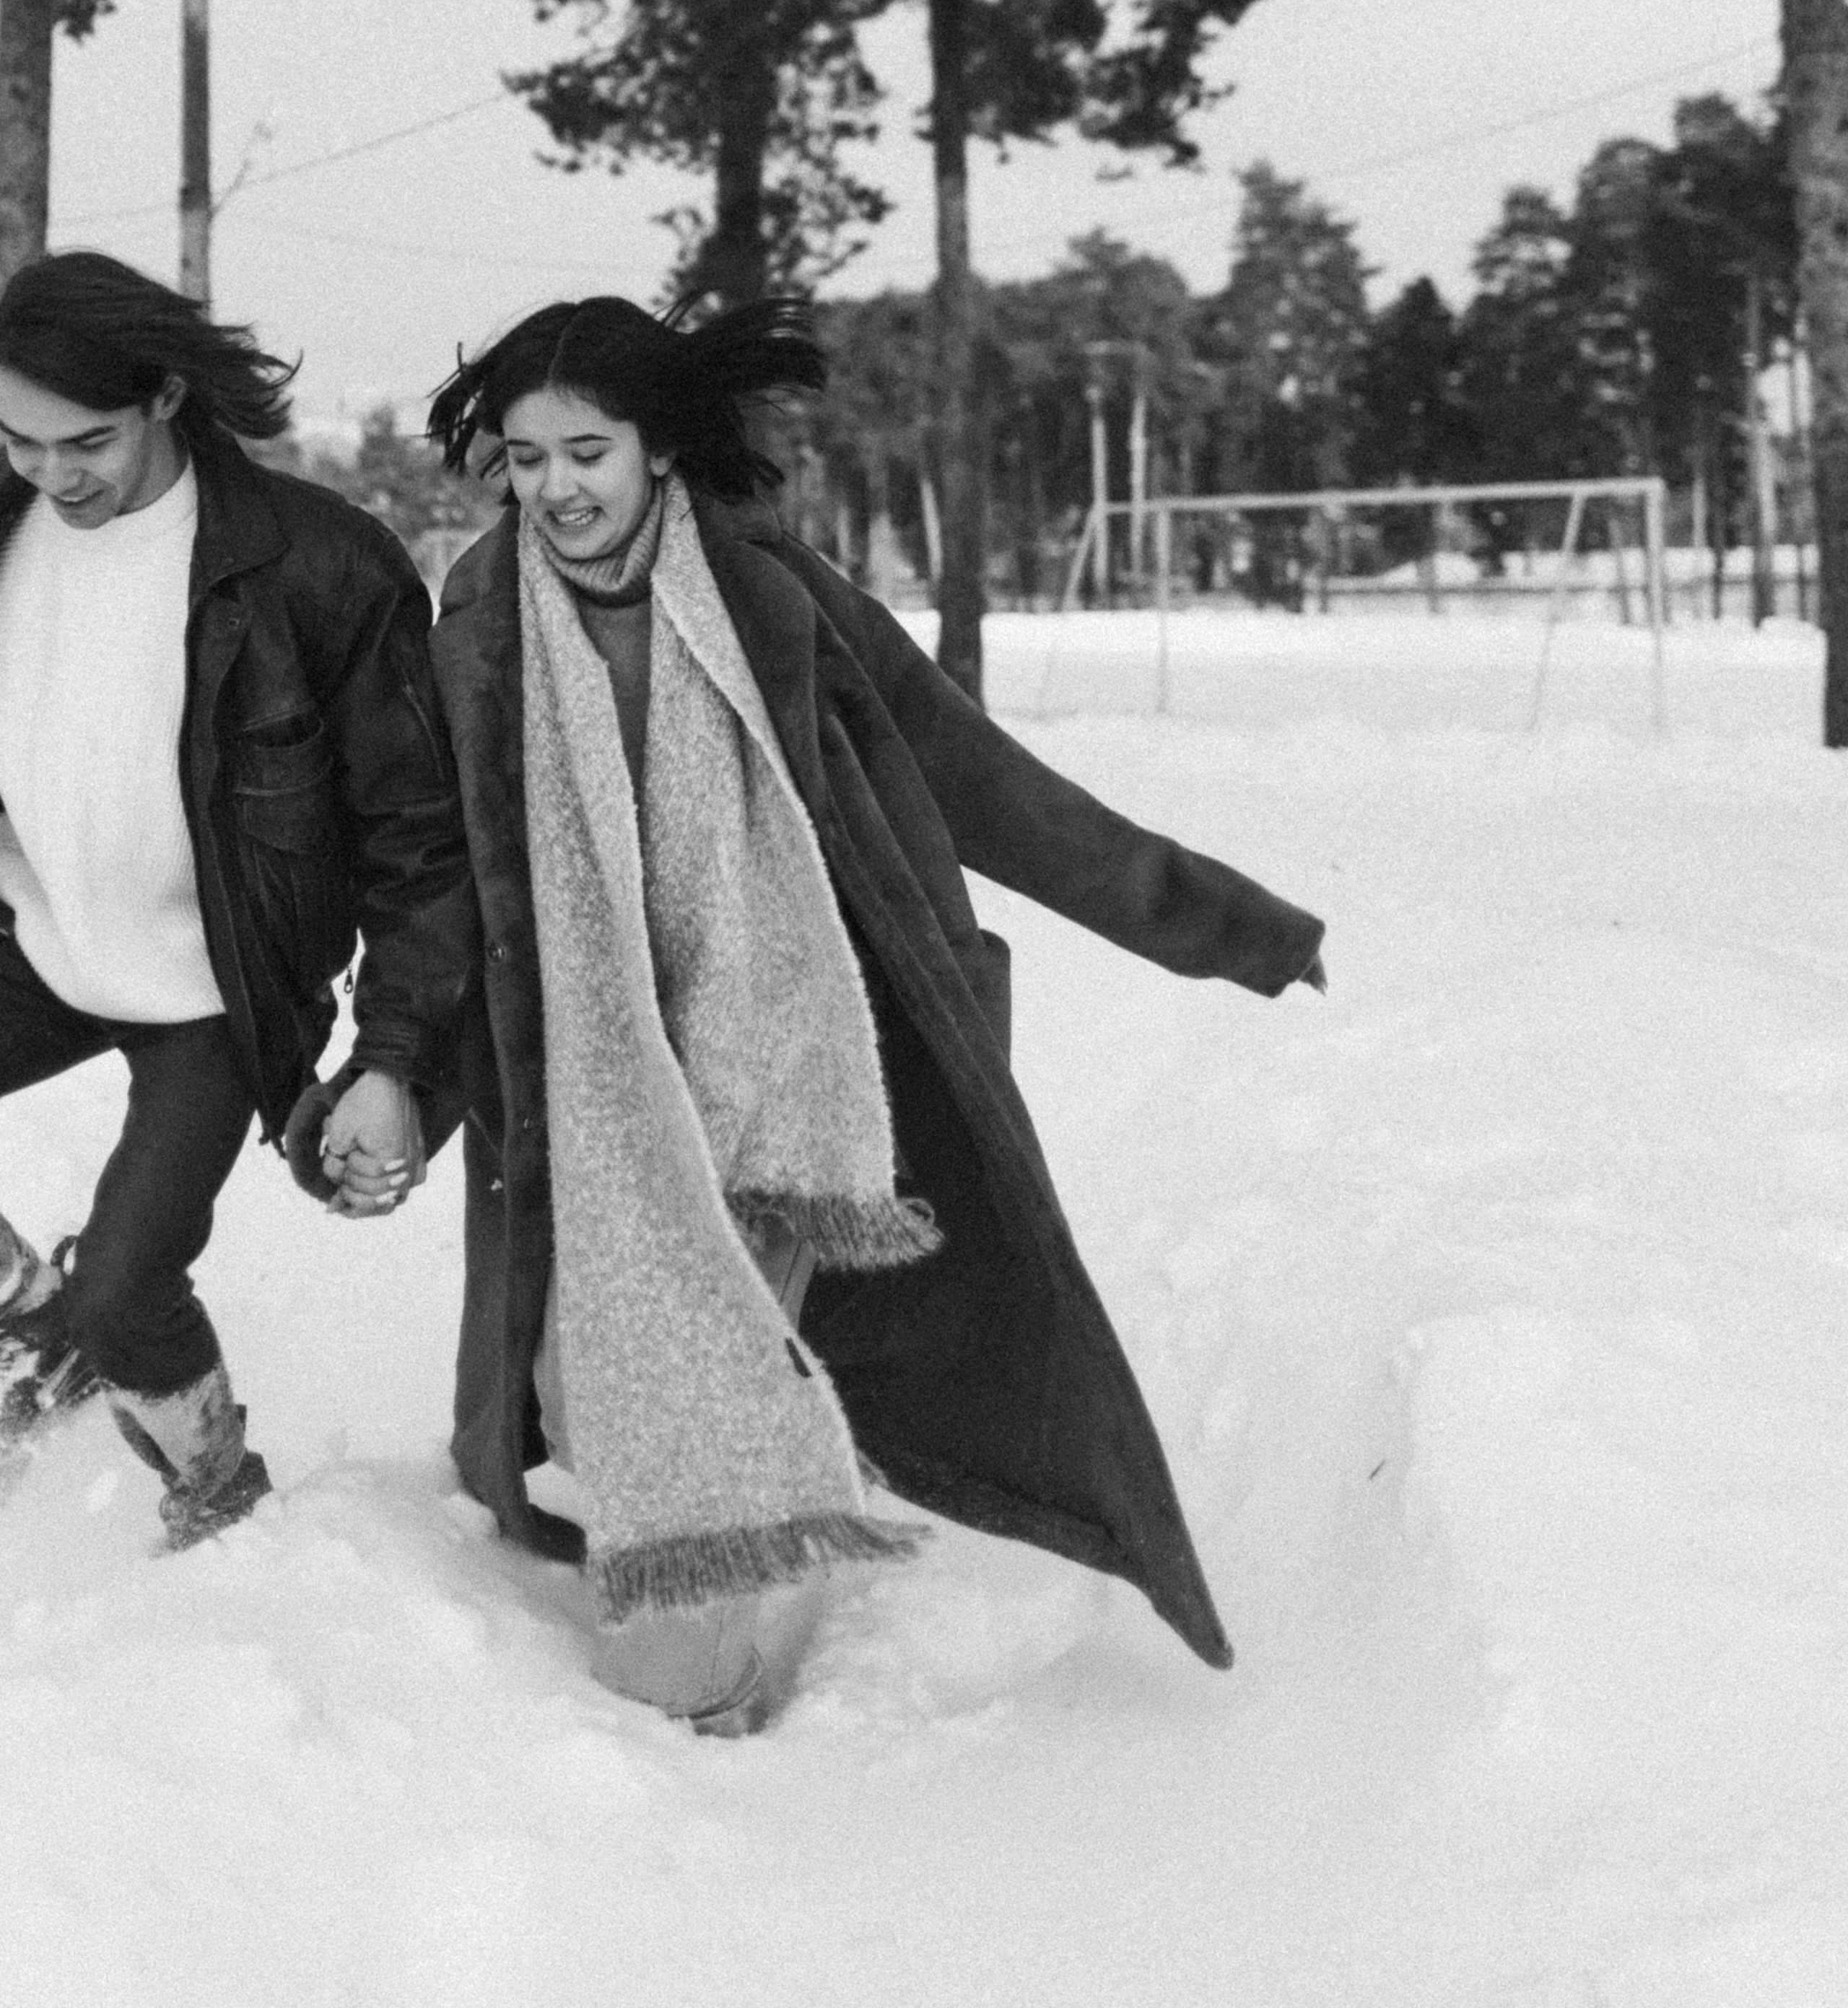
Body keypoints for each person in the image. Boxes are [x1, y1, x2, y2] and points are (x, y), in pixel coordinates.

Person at [318, 293, 1325, 1734]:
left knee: (678, 1404)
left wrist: (1224, 926)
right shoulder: (477, 622)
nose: (555, 490)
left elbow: (983, 781)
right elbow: (437, 879)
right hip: (597, 1090)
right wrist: (395, 1063)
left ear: (660, 450)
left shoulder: (774, 599)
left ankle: (686, 1707)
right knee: (574, 1387)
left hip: (784, 1060)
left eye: (586, 452)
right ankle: (731, 1509)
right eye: (525, 461)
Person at [0, 252, 475, 1545]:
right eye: (21, 441)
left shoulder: (318, 567)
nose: (56, 475)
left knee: (130, 1293)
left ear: (164, 397)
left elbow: (419, 847)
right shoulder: (5, 525)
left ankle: (216, 1495)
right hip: (37, 951)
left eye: (86, 440)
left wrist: (393, 1060)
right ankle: (29, 1329)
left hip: (217, 995)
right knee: (80, 1313)